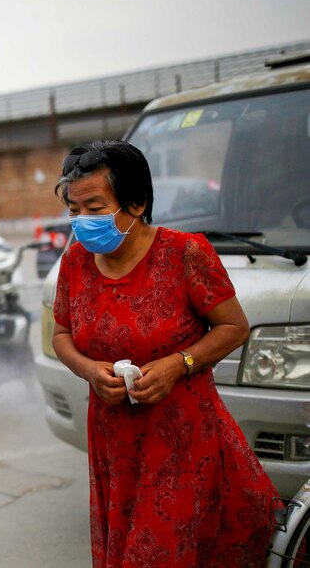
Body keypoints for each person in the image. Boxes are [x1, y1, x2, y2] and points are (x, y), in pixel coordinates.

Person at [51, 140, 277, 567]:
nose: (82, 222)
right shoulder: (75, 262)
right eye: (74, 211)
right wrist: (88, 370)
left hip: (182, 438)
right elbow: (62, 334)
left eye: (95, 208)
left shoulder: (184, 253)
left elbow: (234, 327)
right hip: (114, 439)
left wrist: (179, 364)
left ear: (135, 203)